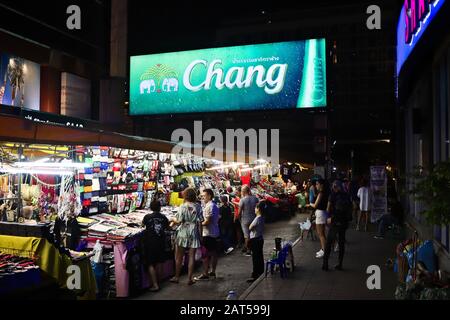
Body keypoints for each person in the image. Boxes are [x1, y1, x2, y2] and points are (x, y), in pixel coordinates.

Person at [170, 188, 202, 286]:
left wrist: (172, 219)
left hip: (183, 231)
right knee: (191, 256)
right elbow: (200, 222)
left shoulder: (182, 206)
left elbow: (179, 221)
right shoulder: (198, 206)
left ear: (185, 195)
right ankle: (189, 278)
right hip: (194, 231)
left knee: (179, 256)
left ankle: (176, 276)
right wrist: (200, 235)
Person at [322, 181, 352, 271]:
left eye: (334, 187)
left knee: (329, 242)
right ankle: (340, 264)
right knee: (341, 243)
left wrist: (329, 217)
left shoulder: (333, 195)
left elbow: (328, 208)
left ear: (335, 187)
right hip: (344, 222)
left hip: (335, 222)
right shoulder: (346, 195)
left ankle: (325, 263)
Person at [142, 199, 170, 292]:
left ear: (150, 207)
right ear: (160, 207)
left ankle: (155, 285)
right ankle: (159, 281)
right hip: (161, 242)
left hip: (150, 243)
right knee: (159, 262)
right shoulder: (163, 217)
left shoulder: (147, 217)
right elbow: (168, 227)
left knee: (150, 264)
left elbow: (142, 226)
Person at [195, 189, 221, 281]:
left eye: (204, 196)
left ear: (209, 196)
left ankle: (205, 273)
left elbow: (207, 221)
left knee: (205, 255)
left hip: (208, 234)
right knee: (213, 253)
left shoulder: (210, 206)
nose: (202, 198)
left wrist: (197, 224)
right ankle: (212, 271)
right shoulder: (213, 205)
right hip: (213, 232)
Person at [307, 179, 329, 259]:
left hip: (320, 214)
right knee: (322, 233)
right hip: (323, 213)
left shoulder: (321, 193)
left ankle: (324, 251)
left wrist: (310, 204)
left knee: (321, 234)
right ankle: (324, 249)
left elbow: (315, 205)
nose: (316, 186)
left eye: (317, 184)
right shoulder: (326, 193)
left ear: (321, 185)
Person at [247, 201, 266, 283]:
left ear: (258, 209)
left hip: (255, 239)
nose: (254, 209)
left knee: (255, 258)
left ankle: (255, 274)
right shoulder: (262, 217)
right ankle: (261, 272)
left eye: (255, 208)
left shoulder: (258, 218)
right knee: (259, 256)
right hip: (260, 238)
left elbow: (250, 227)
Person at [238, 185, 259, 256]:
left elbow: (239, 212)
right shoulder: (255, 198)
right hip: (254, 219)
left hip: (245, 220)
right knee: (253, 235)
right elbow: (258, 207)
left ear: (243, 191)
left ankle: (248, 250)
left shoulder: (242, 200)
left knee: (247, 236)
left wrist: (239, 219)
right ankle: (254, 248)